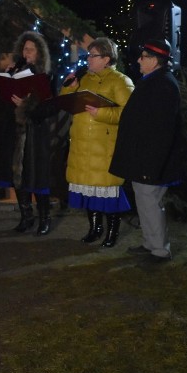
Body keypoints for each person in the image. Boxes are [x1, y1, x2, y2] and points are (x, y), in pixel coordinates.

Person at [109, 39, 182, 262]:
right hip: (143, 159)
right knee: (145, 201)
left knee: (151, 203)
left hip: (152, 161)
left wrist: (152, 164)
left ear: (155, 60)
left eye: (144, 57)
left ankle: (160, 250)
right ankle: (151, 244)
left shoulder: (163, 85)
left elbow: (162, 130)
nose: (139, 60)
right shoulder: (152, 81)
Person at [59, 37, 134, 247]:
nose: (88, 59)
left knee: (107, 192)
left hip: (104, 147)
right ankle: (95, 229)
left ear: (107, 59)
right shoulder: (85, 79)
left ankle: (112, 233)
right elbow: (68, 104)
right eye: (88, 55)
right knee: (89, 191)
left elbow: (129, 113)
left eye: (93, 56)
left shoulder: (121, 81)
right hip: (82, 145)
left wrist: (101, 114)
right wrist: (69, 88)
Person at [0, 31, 57, 236]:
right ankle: (26, 216)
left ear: (39, 53)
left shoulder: (47, 76)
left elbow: (50, 107)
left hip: (36, 133)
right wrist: (7, 78)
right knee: (17, 174)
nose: (26, 52)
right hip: (14, 131)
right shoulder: (15, 70)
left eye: (31, 49)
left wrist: (27, 105)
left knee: (37, 174)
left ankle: (44, 218)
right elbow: (1, 100)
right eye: (24, 48)